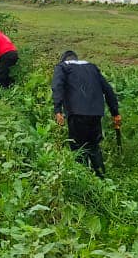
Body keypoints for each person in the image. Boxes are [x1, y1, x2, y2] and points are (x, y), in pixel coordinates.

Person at [51, 49, 121, 177]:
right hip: (95, 113)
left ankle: (83, 179)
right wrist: (115, 112)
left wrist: (57, 110)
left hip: (76, 113)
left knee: (78, 148)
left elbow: (57, 87)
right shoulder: (92, 67)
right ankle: (102, 179)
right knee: (93, 147)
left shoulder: (62, 67)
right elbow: (108, 89)